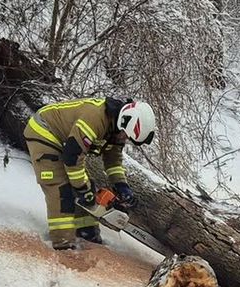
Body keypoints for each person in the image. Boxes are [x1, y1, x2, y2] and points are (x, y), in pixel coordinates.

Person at [23, 96, 156, 249]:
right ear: (126, 121)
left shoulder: (116, 129)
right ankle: (63, 245)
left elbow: (113, 160)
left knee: (88, 188)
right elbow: (72, 156)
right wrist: (81, 188)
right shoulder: (95, 118)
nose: (124, 138)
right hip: (44, 132)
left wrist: (121, 185)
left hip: (66, 144)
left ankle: (87, 234)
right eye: (126, 135)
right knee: (61, 190)